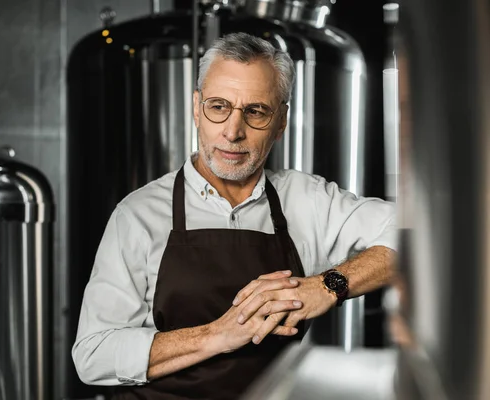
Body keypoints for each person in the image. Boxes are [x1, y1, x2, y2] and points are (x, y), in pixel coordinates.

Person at [72, 32, 397, 399]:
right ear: (197, 108)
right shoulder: (139, 214)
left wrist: (328, 285)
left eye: (256, 112)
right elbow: (93, 355)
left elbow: (416, 236)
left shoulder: (307, 201)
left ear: (281, 122)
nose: (232, 131)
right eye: (218, 106)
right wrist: (217, 336)